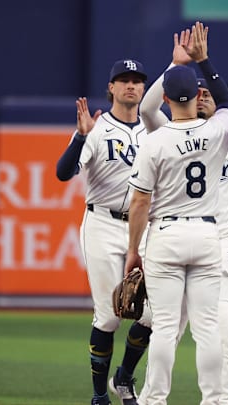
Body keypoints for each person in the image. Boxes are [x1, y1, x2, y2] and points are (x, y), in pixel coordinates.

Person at [136, 29, 228, 404]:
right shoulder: (218, 133)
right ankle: (200, 396)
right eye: (197, 92)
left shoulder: (173, 139)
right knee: (198, 330)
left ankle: (201, 399)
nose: (203, 96)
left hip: (191, 239)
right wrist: (197, 62)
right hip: (204, 239)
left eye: (207, 93)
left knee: (200, 328)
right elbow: (152, 110)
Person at [124, 22, 228, 404]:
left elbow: (139, 202)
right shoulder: (219, 130)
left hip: (167, 235)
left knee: (166, 328)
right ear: (197, 96)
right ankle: (215, 399)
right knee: (207, 329)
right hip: (207, 235)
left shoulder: (155, 141)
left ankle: (155, 400)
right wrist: (205, 61)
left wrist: (133, 250)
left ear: (167, 97)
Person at [55, 59, 153, 405]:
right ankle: (99, 397)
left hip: (145, 226)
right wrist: (81, 137)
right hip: (102, 223)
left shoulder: (156, 129)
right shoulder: (94, 129)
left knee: (154, 316)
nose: (131, 86)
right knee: (110, 315)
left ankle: (124, 378)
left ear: (144, 88)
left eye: (137, 81)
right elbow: (63, 173)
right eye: (123, 80)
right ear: (110, 88)